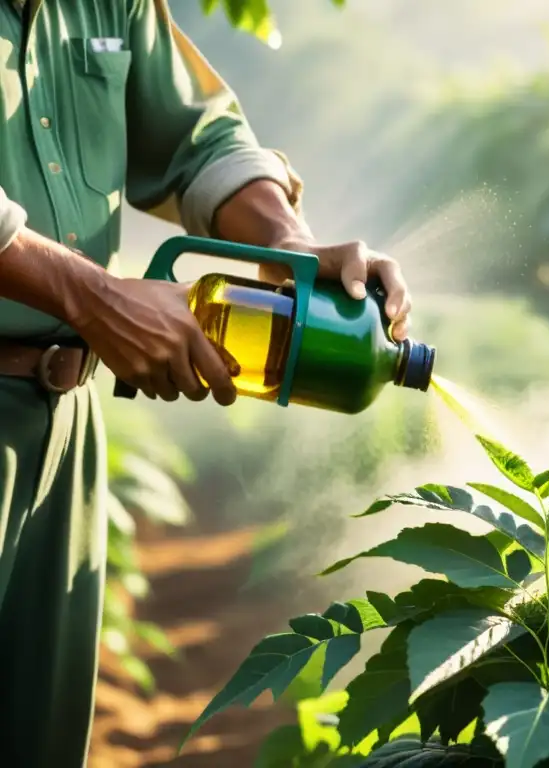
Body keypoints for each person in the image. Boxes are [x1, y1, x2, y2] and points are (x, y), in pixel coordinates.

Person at [0, 1, 412, 765]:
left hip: (63, 424)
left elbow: (198, 138)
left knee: (36, 735)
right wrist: (93, 295)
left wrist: (288, 244)